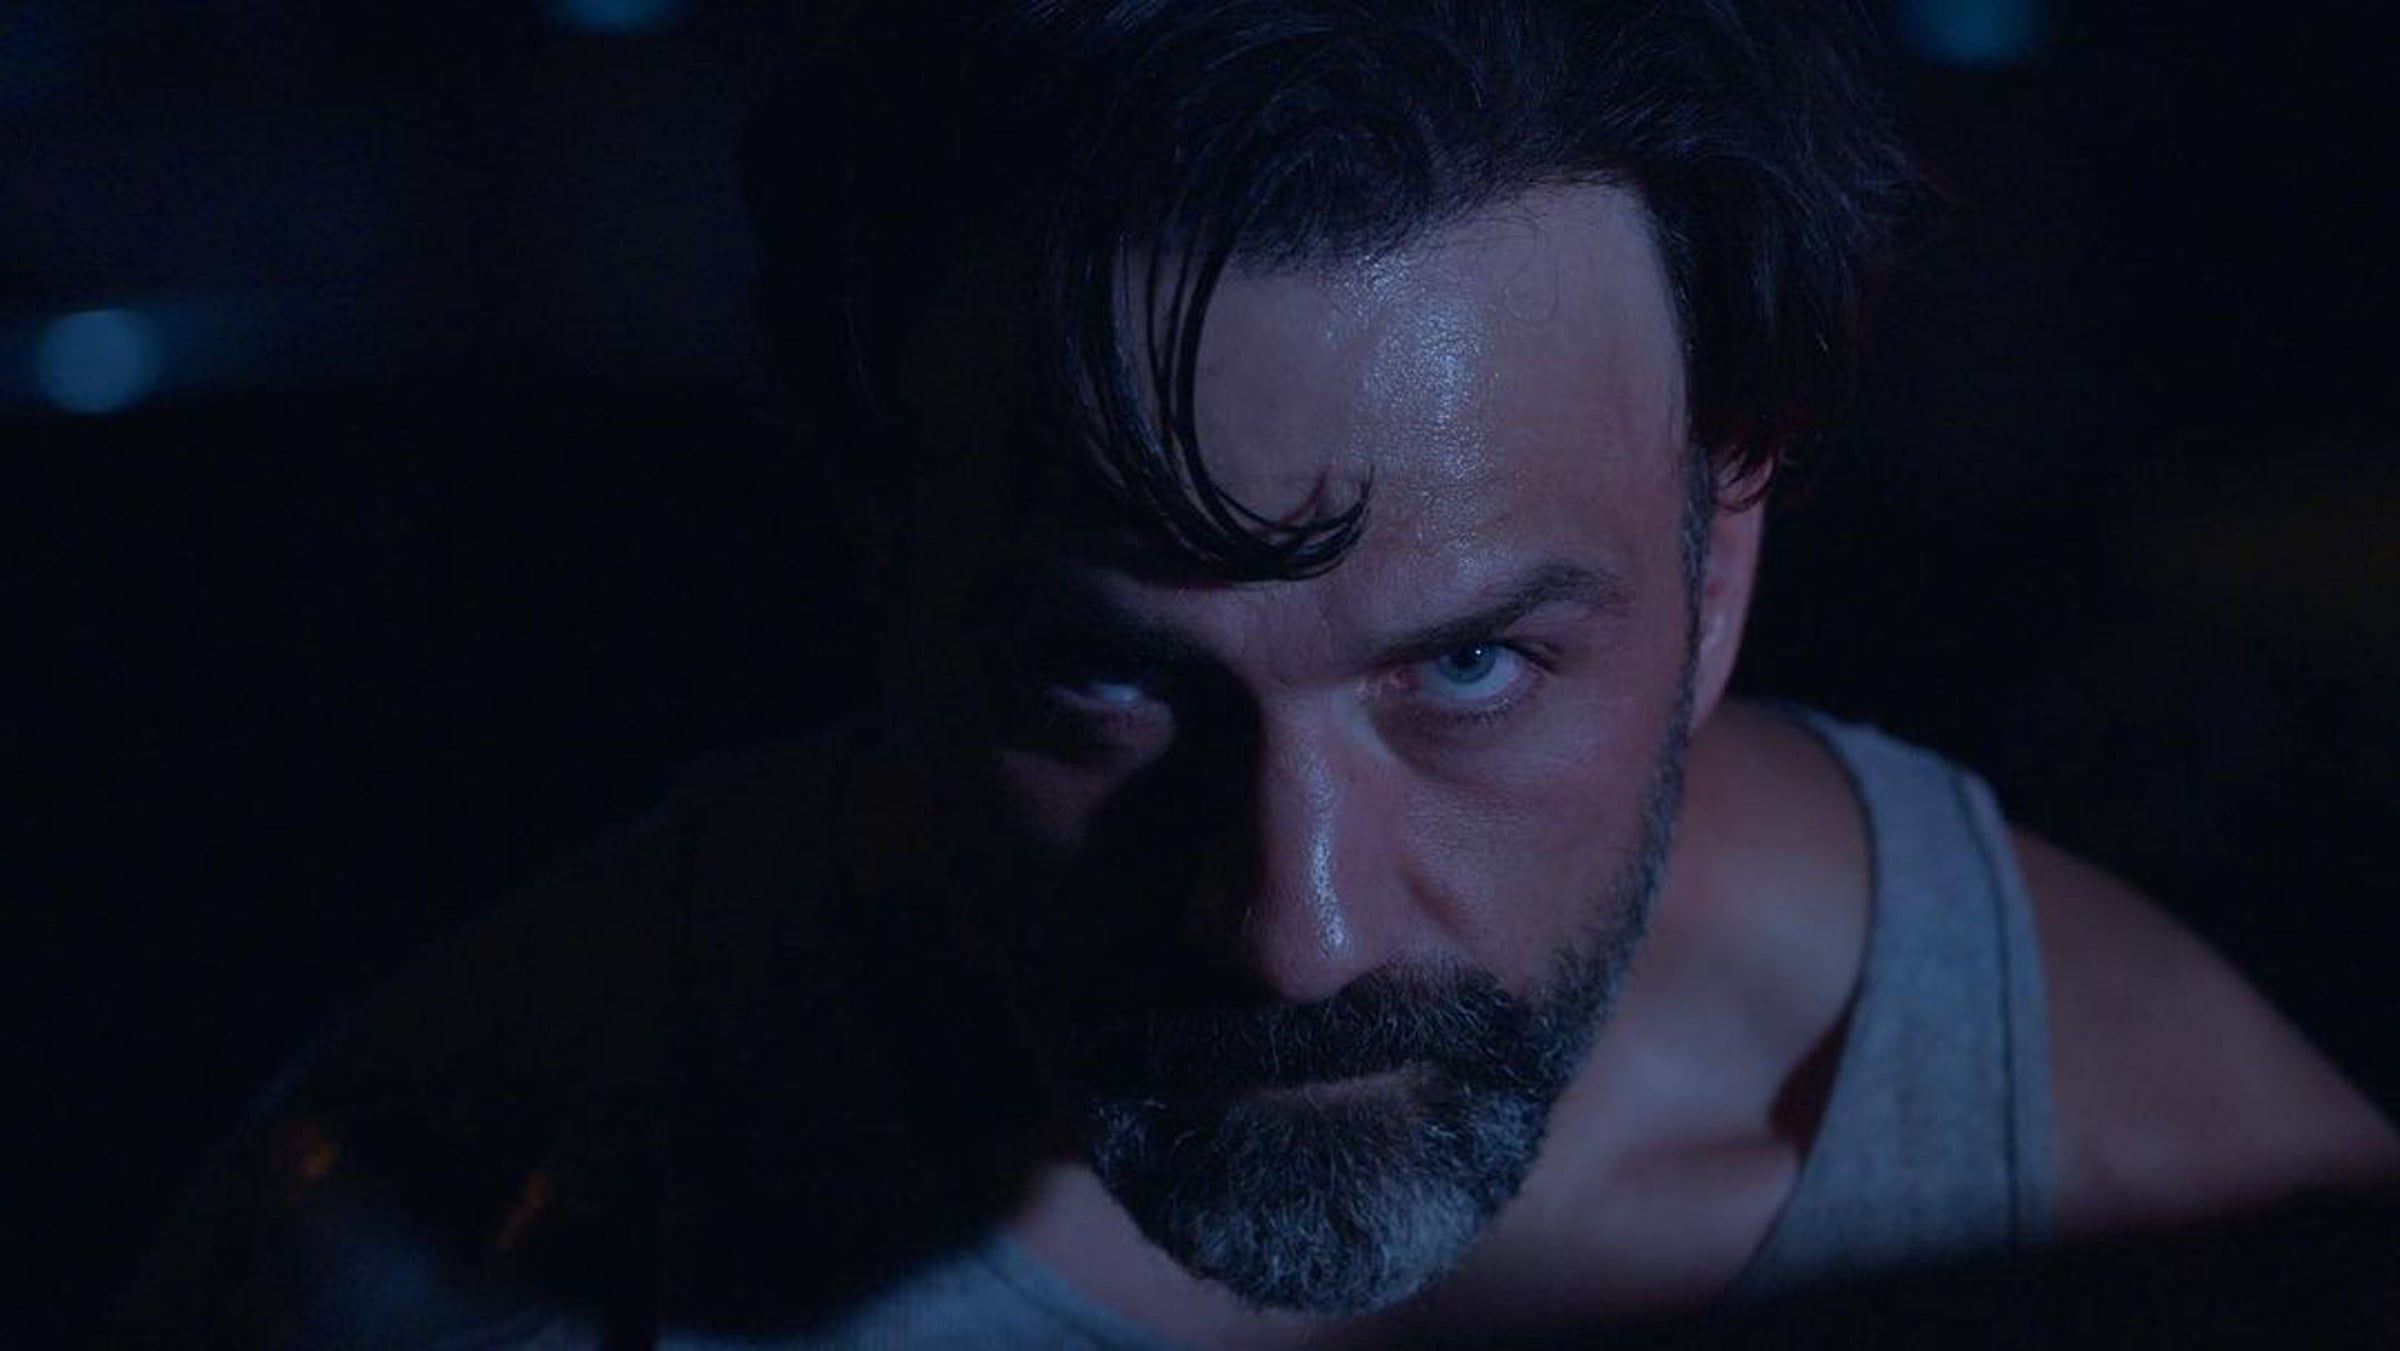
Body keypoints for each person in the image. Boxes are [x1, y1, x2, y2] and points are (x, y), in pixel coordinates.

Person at [117, 2, 2395, 1346]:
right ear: (891, 576)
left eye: (1470, 666)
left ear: (1722, 557)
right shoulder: (472, 1217)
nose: (1292, 928)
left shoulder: (2170, 1197)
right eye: (1107, 686)